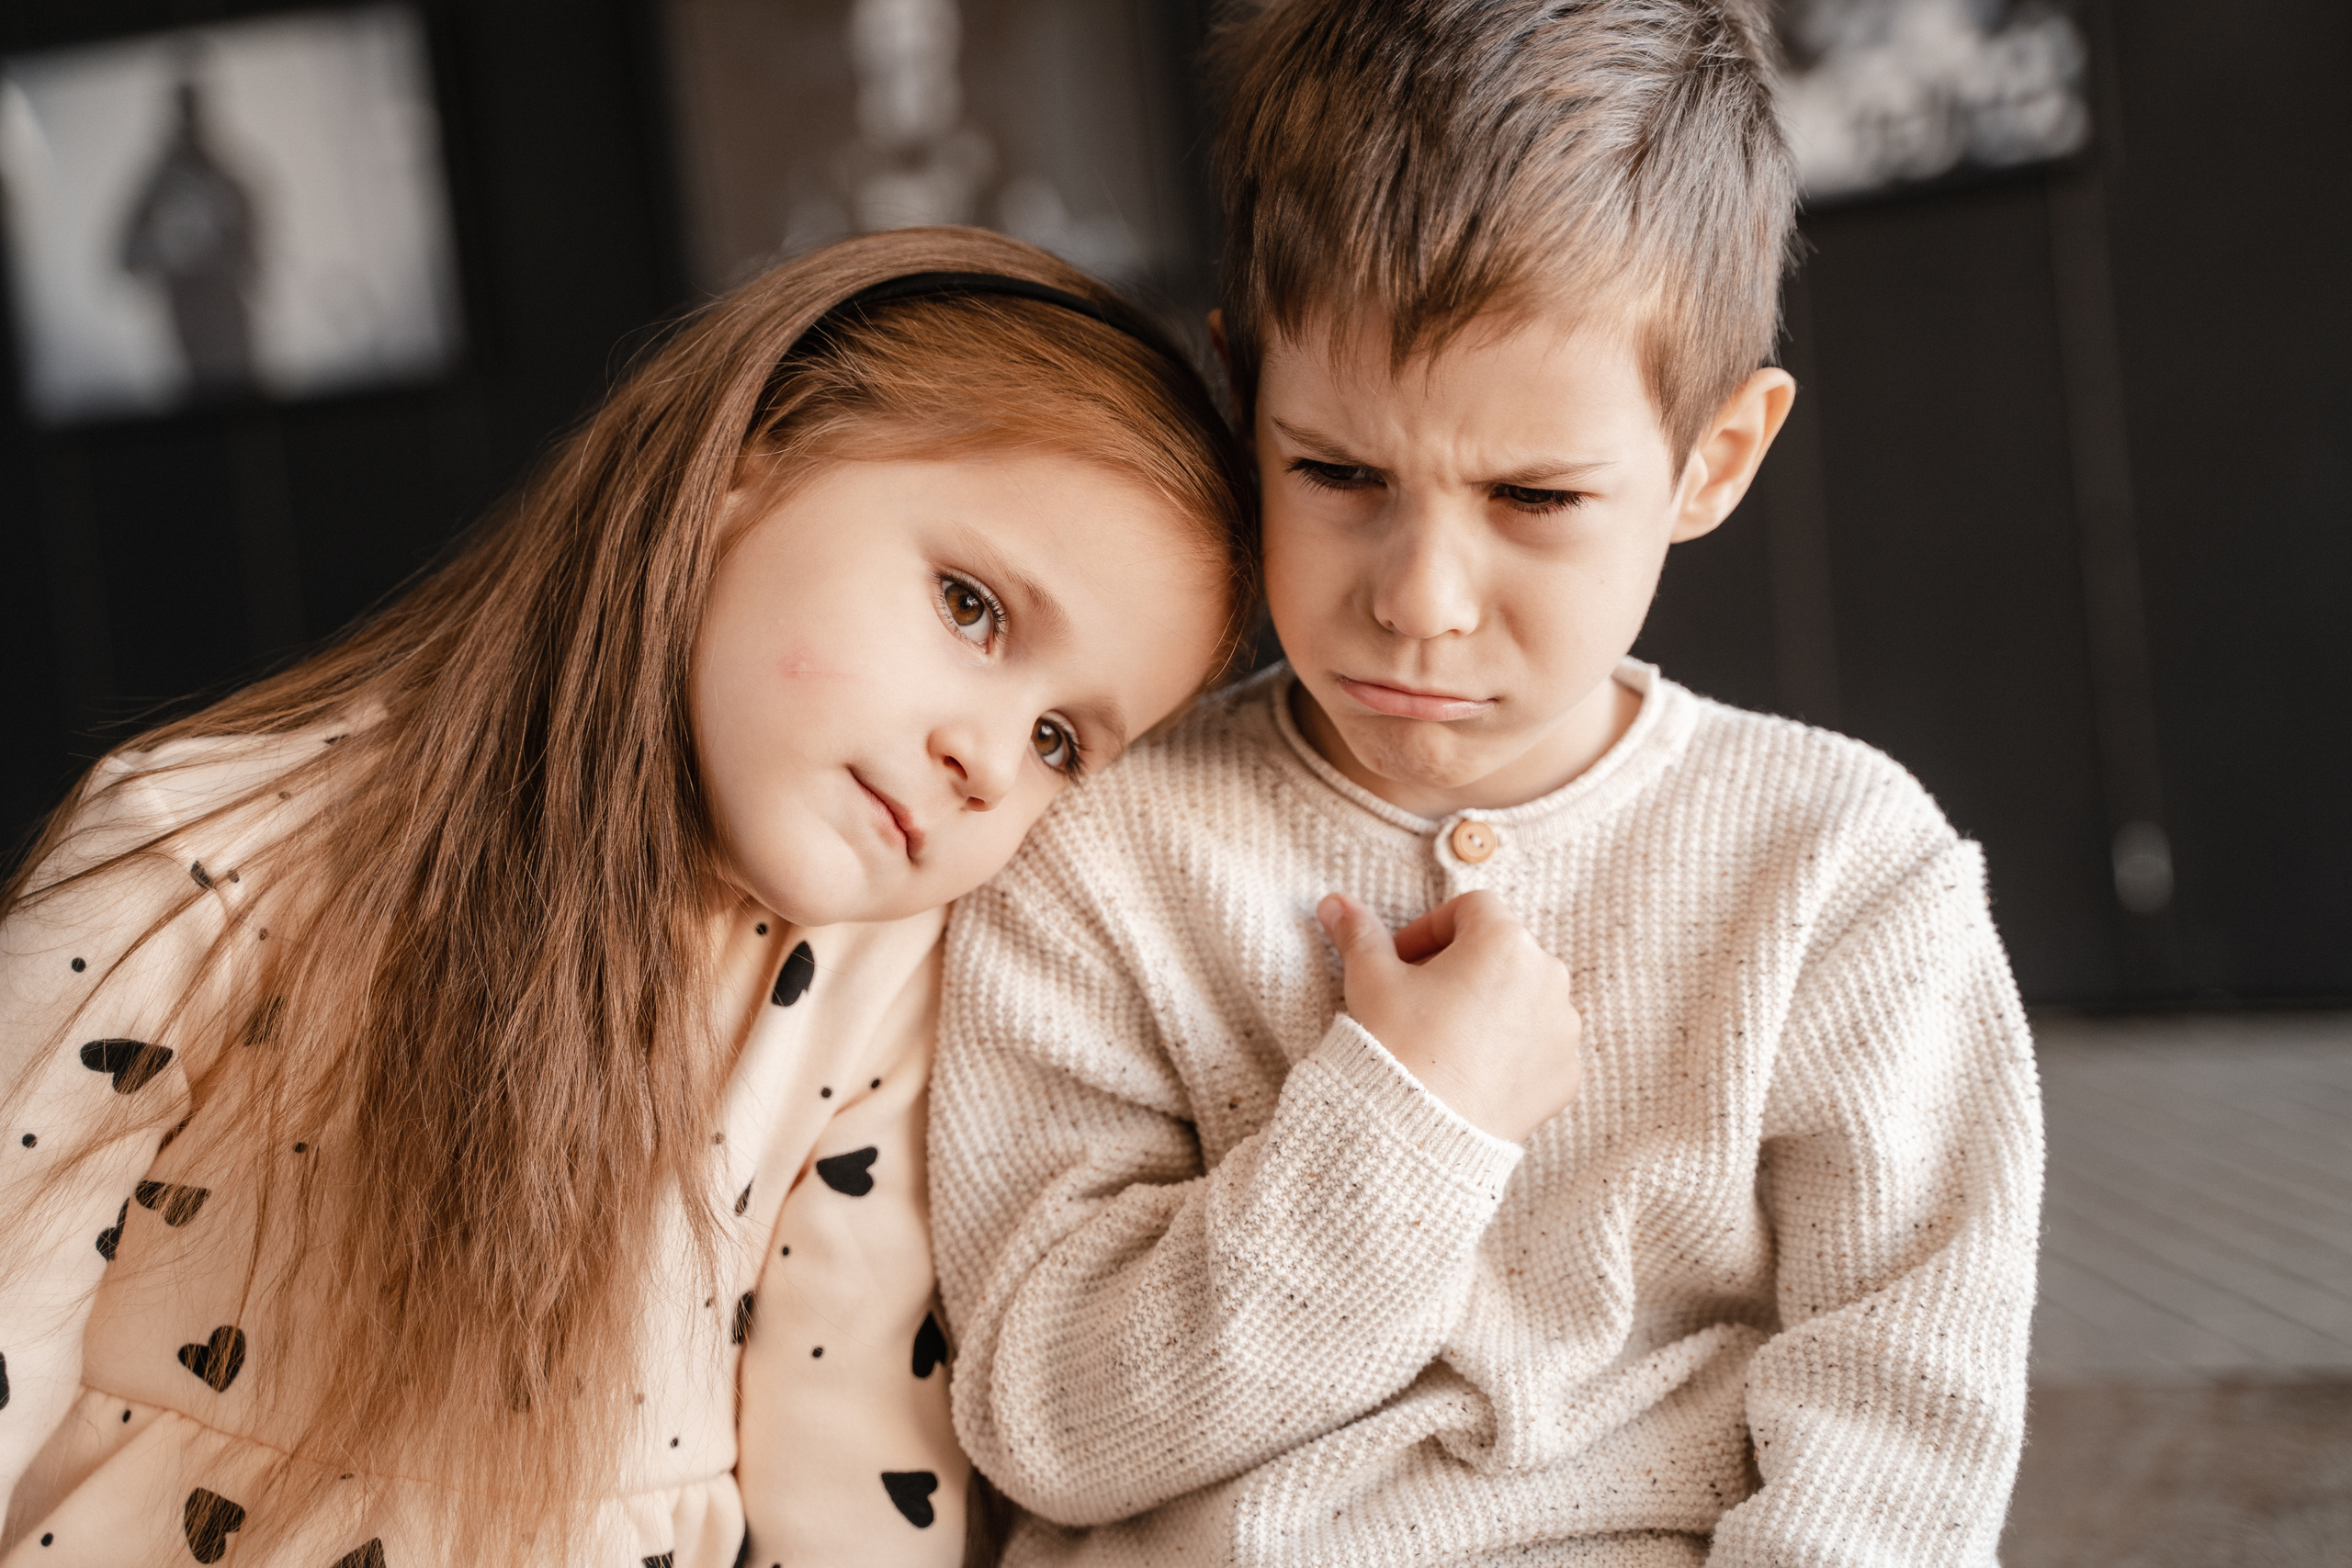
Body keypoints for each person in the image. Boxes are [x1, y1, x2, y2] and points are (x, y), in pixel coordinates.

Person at [930, 4, 2044, 1563]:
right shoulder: (1098, 856)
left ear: (1714, 460)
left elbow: (1899, 1428)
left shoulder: (1843, 871)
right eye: (1338, 473)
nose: (1421, 599)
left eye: (1533, 497)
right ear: (1244, 394)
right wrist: (1405, 1128)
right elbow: (1046, 1421)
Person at [0, 227, 1252, 1567]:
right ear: (744, 465)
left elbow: (854, 1481)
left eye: (1064, 742)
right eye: (971, 606)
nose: (989, 761)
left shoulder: (884, 993)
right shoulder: (207, 854)